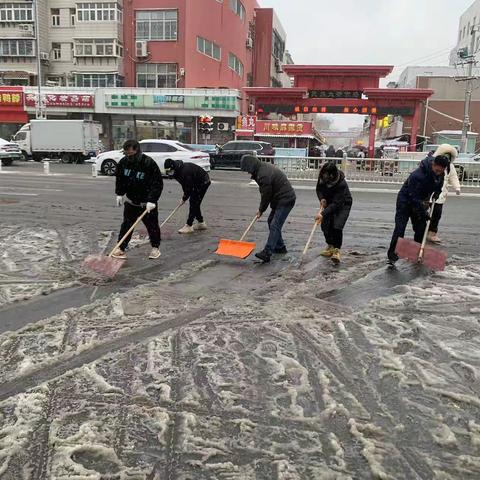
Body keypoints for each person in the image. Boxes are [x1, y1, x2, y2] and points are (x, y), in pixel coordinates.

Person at [387, 153, 450, 265]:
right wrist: (423, 212)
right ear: (433, 165)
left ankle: (417, 252)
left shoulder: (440, 174)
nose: (439, 172)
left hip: (420, 200)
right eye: (437, 170)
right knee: (400, 228)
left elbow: (439, 185)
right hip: (406, 200)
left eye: (441, 171)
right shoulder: (418, 175)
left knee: (421, 228)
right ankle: (392, 254)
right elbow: (413, 197)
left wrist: (437, 193)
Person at [113, 140, 163, 260]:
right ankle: (121, 248)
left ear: (137, 151)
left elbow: (157, 183)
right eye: (126, 154)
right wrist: (119, 193)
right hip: (131, 201)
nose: (129, 156)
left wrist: (152, 200)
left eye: (131, 154)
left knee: (152, 226)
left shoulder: (148, 163)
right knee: (126, 225)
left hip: (146, 203)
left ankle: (155, 248)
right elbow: (120, 179)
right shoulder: (124, 163)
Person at [240, 155, 296, 263]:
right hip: (279, 198)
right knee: (272, 221)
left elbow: (266, 195)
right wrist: (262, 209)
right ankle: (280, 247)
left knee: (275, 224)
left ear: (251, 166)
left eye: (247, 169)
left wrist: (261, 209)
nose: (247, 172)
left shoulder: (263, 174)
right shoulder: (261, 169)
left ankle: (267, 252)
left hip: (285, 199)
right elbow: (267, 194)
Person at [315, 162, 353, 264]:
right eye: (323, 175)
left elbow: (336, 204)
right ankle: (330, 246)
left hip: (343, 203)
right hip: (329, 201)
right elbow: (318, 189)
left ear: (332, 175)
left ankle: (337, 250)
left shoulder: (341, 184)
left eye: (326, 175)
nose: (323, 177)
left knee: (337, 225)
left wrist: (322, 214)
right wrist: (322, 198)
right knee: (325, 225)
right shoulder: (322, 177)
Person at [164, 159, 211, 234]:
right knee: (195, 203)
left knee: (194, 202)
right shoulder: (177, 172)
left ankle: (189, 225)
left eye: (170, 171)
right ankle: (201, 223)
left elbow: (188, 188)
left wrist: (184, 198)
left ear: (173, 168)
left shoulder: (184, 172)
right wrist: (184, 197)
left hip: (203, 182)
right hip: (195, 182)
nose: (170, 173)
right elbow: (184, 185)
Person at [427, 144, 461, 244]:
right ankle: (421, 231)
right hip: (428, 193)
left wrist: (457, 187)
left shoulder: (450, 167)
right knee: (423, 213)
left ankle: (432, 233)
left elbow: (453, 177)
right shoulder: (432, 164)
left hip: (441, 195)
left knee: (436, 214)